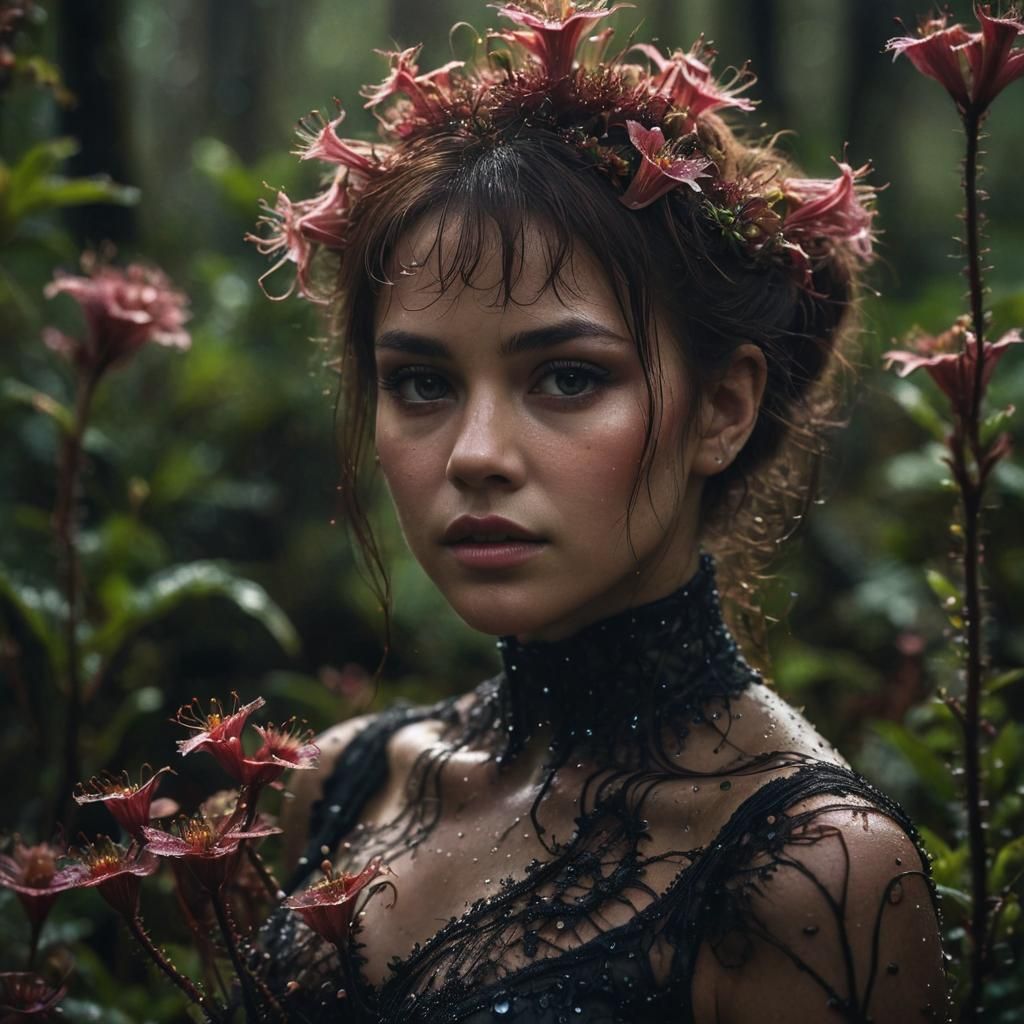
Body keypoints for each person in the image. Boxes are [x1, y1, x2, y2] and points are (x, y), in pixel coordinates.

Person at [249, 3, 948, 1021]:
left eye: (568, 377)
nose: (476, 454)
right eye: (421, 384)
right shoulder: (345, 783)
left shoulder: (810, 871)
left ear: (721, 409)